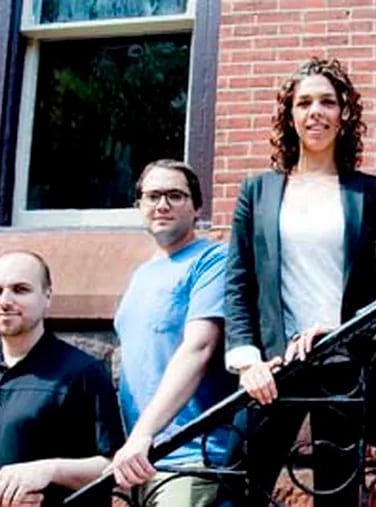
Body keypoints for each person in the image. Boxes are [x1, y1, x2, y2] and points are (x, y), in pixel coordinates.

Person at [224, 57, 376, 506]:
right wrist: (246, 361)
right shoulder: (256, 192)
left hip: (343, 365)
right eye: (304, 102)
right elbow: (238, 283)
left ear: (343, 114)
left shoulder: (368, 192)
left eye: (328, 102)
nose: (316, 111)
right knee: (240, 487)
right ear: (289, 115)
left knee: (338, 495)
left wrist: (351, 329)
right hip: (272, 371)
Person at [0, 251, 125, 507]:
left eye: (20, 290)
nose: (5, 301)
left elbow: (113, 467)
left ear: (47, 296)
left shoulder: (84, 373)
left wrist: (48, 470)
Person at [111, 159, 235, 506]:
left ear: (197, 207)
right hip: (143, 461)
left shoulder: (212, 259)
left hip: (192, 458)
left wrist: (143, 434)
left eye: (175, 196)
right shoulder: (142, 274)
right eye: (152, 196)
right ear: (139, 206)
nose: (162, 204)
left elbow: (199, 348)